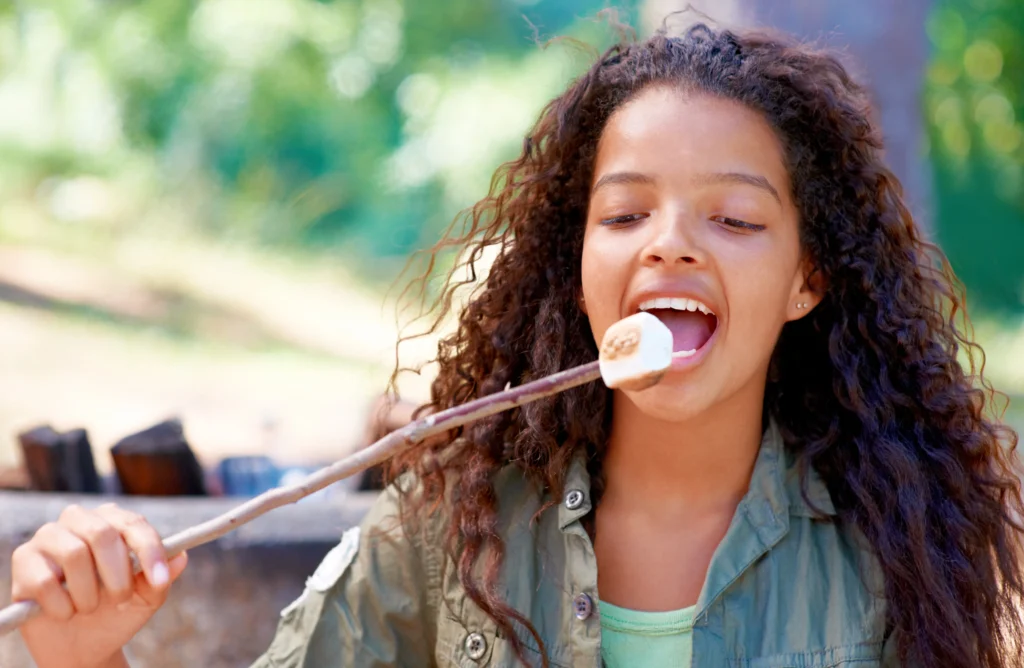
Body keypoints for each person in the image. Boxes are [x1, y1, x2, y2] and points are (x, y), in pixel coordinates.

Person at [9, 21, 1024, 668]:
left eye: (734, 219)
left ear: (808, 280)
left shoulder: (890, 550)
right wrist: (85, 656)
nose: (669, 241)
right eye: (624, 215)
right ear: (575, 263)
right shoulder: (449, 526)